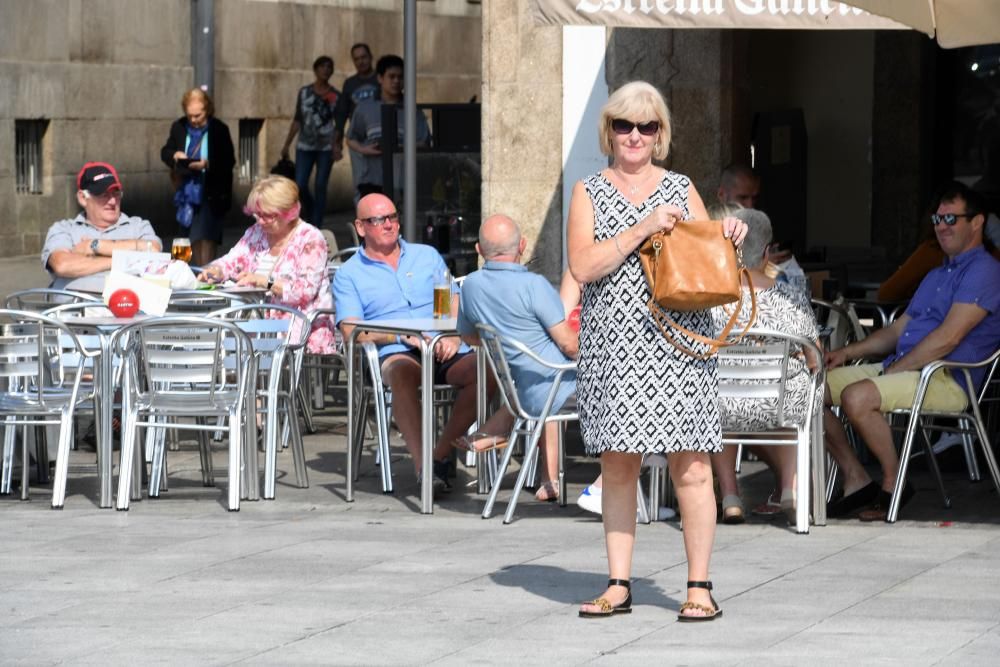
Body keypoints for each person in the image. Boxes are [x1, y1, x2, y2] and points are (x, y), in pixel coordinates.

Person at [567, 81, 747, 621]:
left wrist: (728, 233)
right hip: (614, 346)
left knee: (691, 468)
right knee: (618, 467)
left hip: (679, 342)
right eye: (624, 125)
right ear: (610, 131)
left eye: (647, 127)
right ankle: (618, 583)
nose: (635, 136)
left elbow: (704, 253)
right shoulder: (588, 190)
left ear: (661, 134)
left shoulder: (680, 185)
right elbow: (581, 266)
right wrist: (641, 228)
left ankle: (699, 586)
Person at [825, 182, 1000, 522]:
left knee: (857, 398)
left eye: (951, 218)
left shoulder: (985, 271)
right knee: (808, 392)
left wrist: (896, 370)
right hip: (907, 368)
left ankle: (893, 485)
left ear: (977, 222)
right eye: (937, 217)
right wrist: (847, 353)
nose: (941, 225)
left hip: (947, 377)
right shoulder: (936, 273)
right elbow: (896, 330)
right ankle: (857, 478)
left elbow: (948, 339)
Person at [332, 193, 481, 492]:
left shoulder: (426, 256)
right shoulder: (349, 274)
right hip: (397, 350)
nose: (389, 224)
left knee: (486, 371)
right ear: (361, 227)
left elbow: (451, 297)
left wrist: (451, 333)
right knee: (401, 374)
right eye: (379, 220)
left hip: (442, 345)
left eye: (393, 217)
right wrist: (398, 335)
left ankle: (439, 453)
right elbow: (352, 332)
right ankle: (425, 470)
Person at [708, 208, 821, 524]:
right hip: (779, 405)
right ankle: (790, 487)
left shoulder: (710, 299)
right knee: (797, 377)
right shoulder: (789, 297)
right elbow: (815, 356)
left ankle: (730, 495)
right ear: (768, 252)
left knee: (720, 391)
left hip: (722, 406)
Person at [456, 214, 578, 503]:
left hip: (519, 389)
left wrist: (508, 344)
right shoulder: (534, 286)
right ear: (522, 246)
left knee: (544, 379)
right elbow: (569, 344)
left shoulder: (470, 286)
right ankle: (610, 482)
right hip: (558, 390)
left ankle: (497, 431)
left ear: (478, 250)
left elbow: (470, 337)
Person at [197, 176, 336, 354]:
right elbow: (232, 260)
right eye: (257, 214)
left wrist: (265, 282)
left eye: (267, 215)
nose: (260, 221)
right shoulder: (256, 233)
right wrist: (215, 270)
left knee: (233, 341)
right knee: (217, 338)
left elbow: (304, 291)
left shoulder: (310, 238)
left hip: (299, 327)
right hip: (258, 324)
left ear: (289, 212)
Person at [42, 162, 162, 292]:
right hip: (76, 308)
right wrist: (124, 260)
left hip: (128, 308)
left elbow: (153, 250)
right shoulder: (64, 229)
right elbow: (62, 265)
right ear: (83, 198)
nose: (112, 201)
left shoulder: (138, 226)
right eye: (103, 194)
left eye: (116, 193)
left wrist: (94, 246)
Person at [160, 88, 236, 266]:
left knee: (205, 236)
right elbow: (165, 152)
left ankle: (203, 277)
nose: (193, 120)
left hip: (210, 191)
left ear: (207, 110)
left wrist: (207, 164)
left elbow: (229, 160)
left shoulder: (219, 129)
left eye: (198, 115)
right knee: (183, 237)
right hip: (185, 191)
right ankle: (181, 274)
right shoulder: (179, 126)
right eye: (190, 116)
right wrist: (175, 156)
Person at [346, 54, 431, 201]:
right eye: (391, 76)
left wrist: (398, 146)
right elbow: (351, 138)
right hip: (371, 180)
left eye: (400, 77)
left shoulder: (413, 110)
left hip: (402, 182)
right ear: (380, 78)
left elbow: (424, 141)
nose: (396, 81)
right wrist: (364, 149)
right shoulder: (365, 108)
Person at [281, 56, 343, 227]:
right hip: (304, 146)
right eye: (322, 66)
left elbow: (339, 123)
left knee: (320, 185)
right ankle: (310, 210)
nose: (325, 70)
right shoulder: (305, 92)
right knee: (299, 183)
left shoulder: (336, 96)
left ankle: (316, 224)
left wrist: (337, 145)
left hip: (325, 147)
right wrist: (286, 144)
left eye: (329, 67)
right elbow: (297, 119)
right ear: (315, 70)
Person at [334, 43, 379, 153]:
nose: (361, 62)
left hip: (379, 136)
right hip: (357, 139)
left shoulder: (382, 79)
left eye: (364, 57)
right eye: (357, 59)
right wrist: (337, 142)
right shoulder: (349, 83)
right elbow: (342, 114)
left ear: (371, 57)